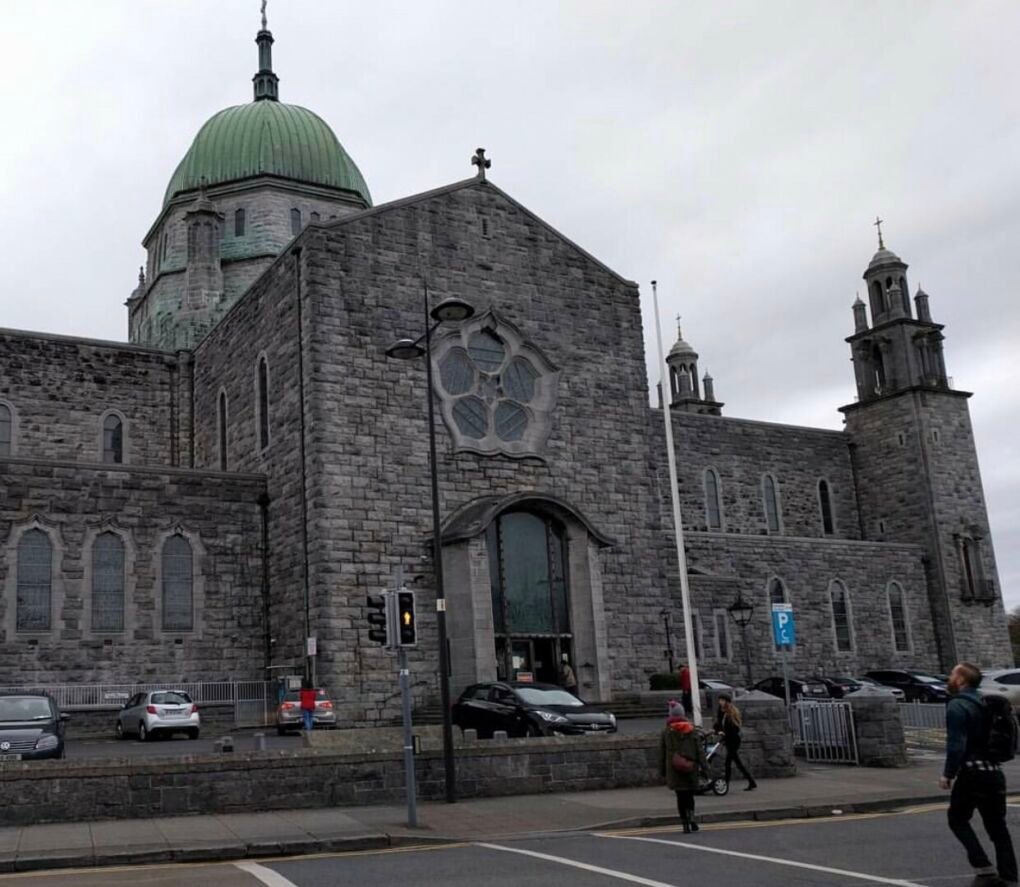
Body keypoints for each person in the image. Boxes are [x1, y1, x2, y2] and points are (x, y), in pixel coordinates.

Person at [940, 661, 1017, 885]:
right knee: (998, 828)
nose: (949, 678)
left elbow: (956, 745)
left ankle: (983, 868)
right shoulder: (986, 702)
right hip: (994, 772)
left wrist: (948, 774)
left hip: (973, 773)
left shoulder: (957, 706)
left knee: (957, 819)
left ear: (961, 680)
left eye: (953, 674)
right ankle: (1009, 878)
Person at [659, 700, 707, 834]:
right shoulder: (692, 731)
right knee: (690, 796)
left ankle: (684, 823)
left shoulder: (667, 732)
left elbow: (661, 753)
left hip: (674, 770)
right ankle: (692, 818)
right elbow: (700, 752)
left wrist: (662, 771)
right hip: (690, 768)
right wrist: (705, 768)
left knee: (680, 797)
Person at [713, 693, 757, 791]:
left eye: (722, 700)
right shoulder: (721, 711)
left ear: (726, 702)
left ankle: (726, 785)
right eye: (719, 700)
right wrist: (718, 730)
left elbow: (734, 728)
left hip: (733, 740)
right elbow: (719, 723)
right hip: (728, 739)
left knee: (728, 762)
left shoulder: (731, 712)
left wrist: (724, 733)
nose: (720, 702)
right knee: (737, 762)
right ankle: (751, 782)